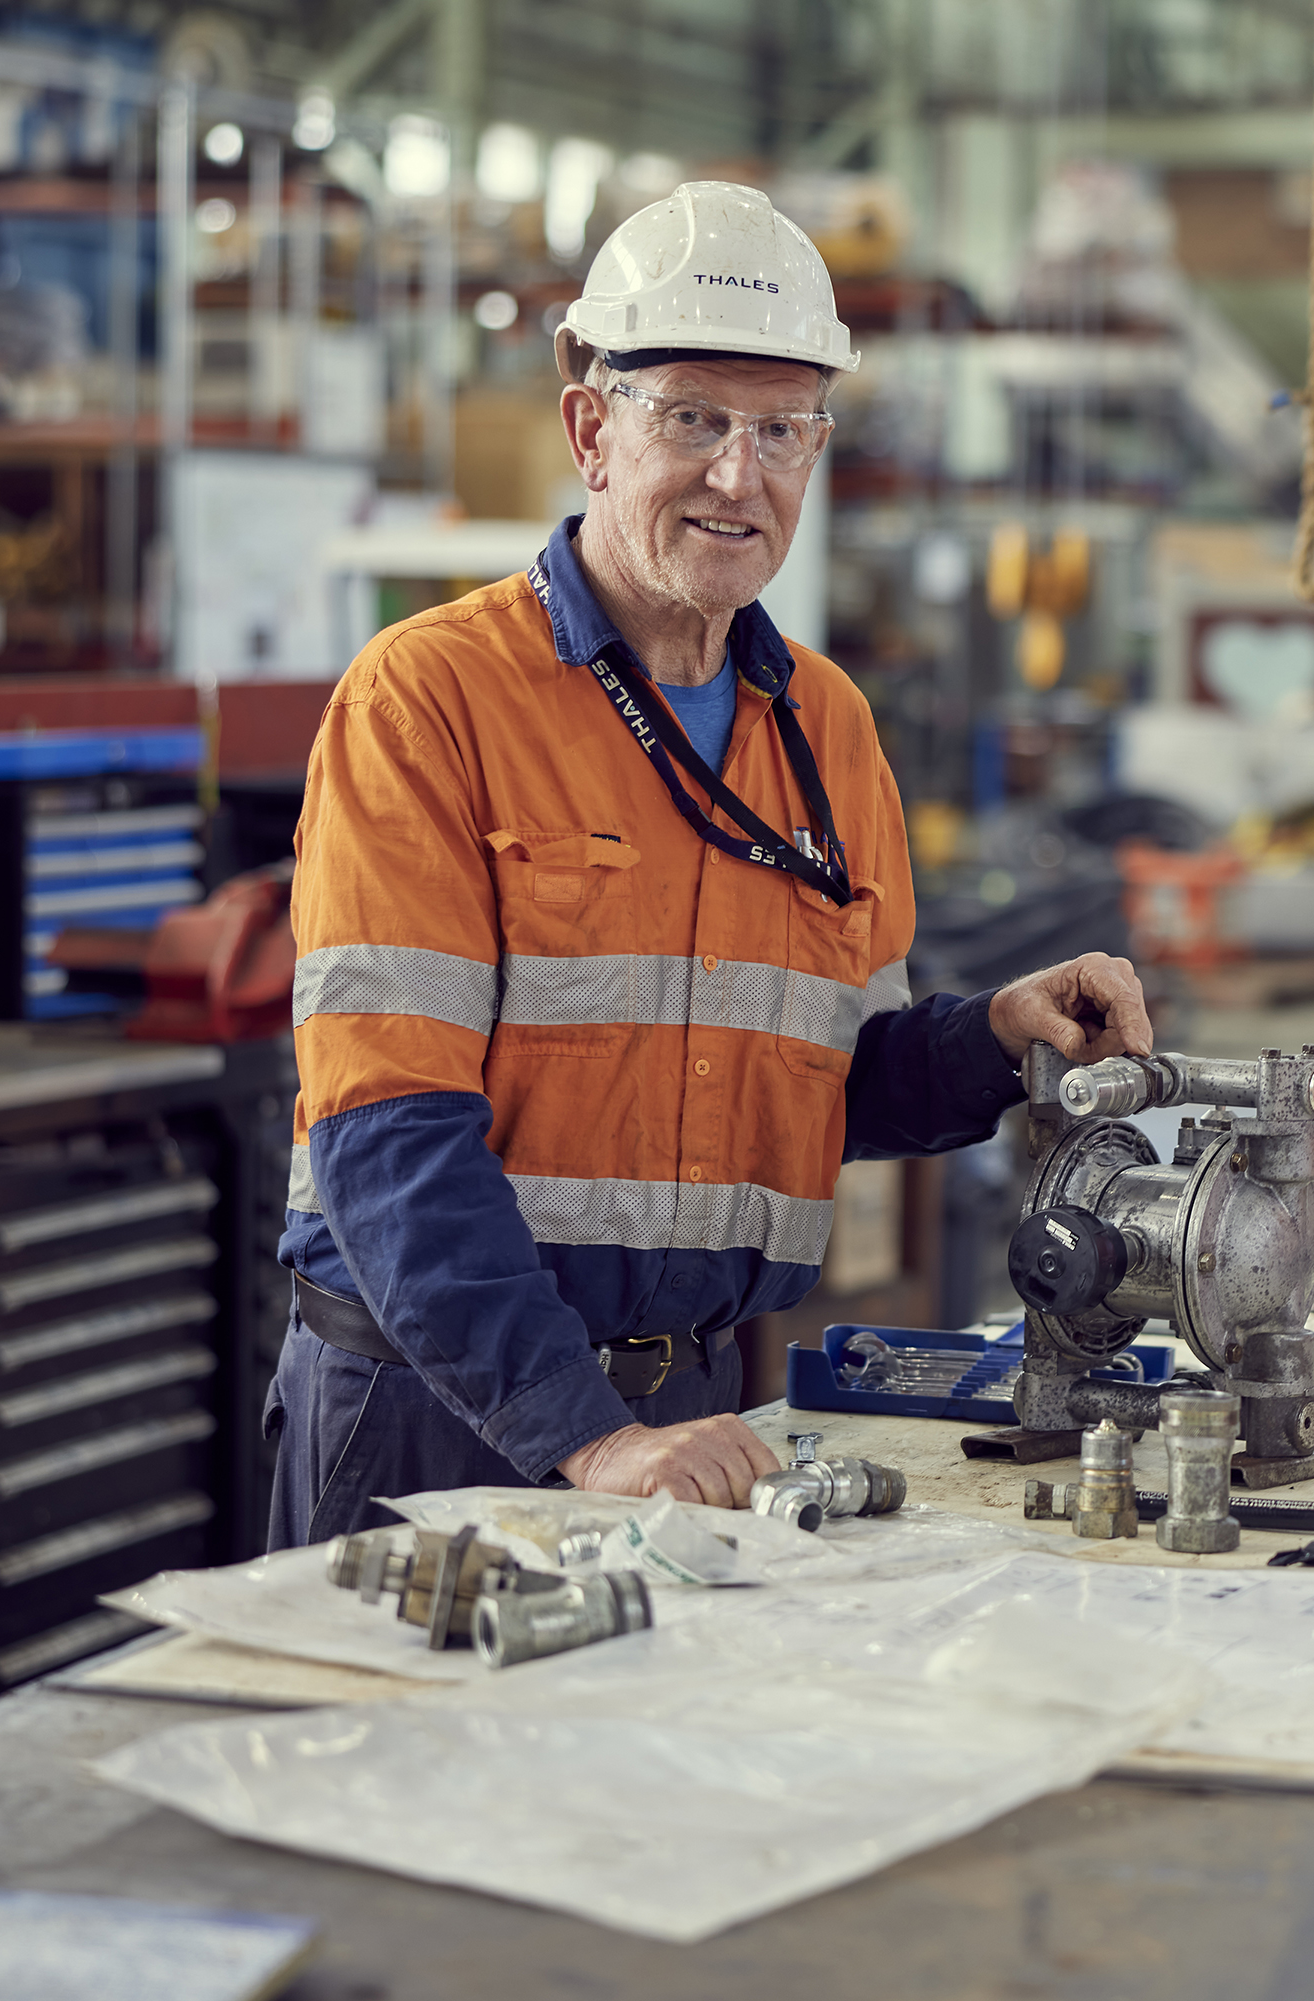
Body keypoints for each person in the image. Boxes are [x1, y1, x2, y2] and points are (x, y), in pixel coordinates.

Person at [267, 182, 1150, 1547]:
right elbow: (387, 1131)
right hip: (437, 1405)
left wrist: (992, 1039)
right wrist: (587, 1433)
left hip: (697, 1413)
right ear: (590, 431)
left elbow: (813, 1082)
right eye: (692, 418)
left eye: (783, 429)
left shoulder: (828, 727)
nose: (740, 474)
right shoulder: (430, 699)